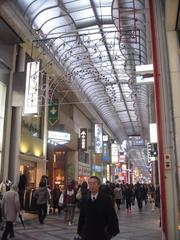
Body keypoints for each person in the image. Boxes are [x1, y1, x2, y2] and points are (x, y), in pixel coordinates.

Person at [76, 176, 119, 240]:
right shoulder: (85, 199)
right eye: (90, 183)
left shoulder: (106, 199)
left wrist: (111, 232)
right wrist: (79, 232)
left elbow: (112, 216)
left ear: (99, 185)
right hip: (87, 234)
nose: (92, 185)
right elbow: (82, 217)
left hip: (102, 234)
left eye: (94, 183)